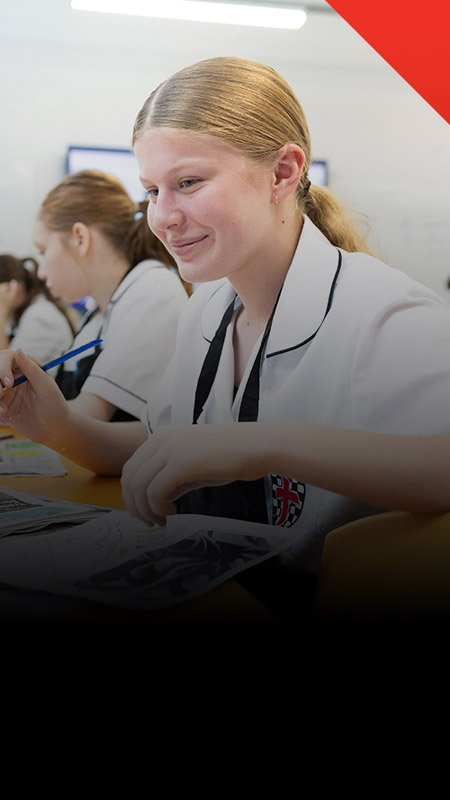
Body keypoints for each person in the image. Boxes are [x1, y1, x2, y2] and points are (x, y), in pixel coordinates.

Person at [1, 57, 450, 613]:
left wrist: (262, 445)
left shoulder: (387, 315)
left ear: (283, 174)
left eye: (187, 183)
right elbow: (166, 445)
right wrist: (59, 425)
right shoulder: (210, 308)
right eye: (153, 191)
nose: (163, 217)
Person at [33, 169, 190, 422]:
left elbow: (88, 419)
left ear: (80, 238)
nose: (40, 271)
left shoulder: (153, 290)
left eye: (43, 250)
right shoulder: (100, 310)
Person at [0, 253, 75, 362]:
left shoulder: (40, 317)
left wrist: (2, 310)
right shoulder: (25, 312)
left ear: (12, 287)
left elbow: (7, 371)